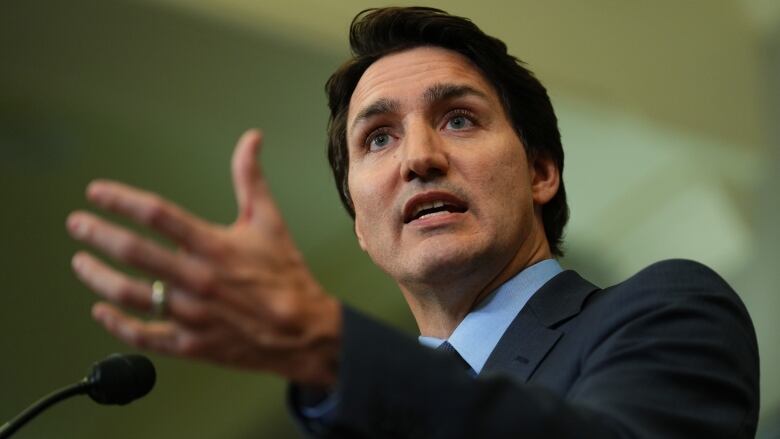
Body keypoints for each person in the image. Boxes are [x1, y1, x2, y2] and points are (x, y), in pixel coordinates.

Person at [66, 7, 759, 438]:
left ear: (542, 170)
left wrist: (335, 349)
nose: (420, 158)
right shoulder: (344, 415)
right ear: (362, 226)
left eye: (459, 118)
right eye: (378, 138)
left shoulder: (667, 310)